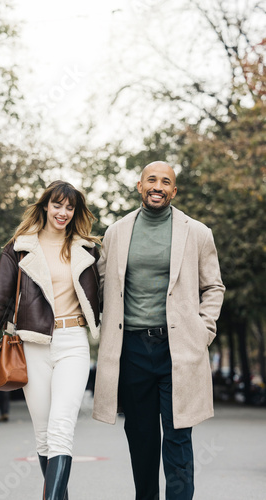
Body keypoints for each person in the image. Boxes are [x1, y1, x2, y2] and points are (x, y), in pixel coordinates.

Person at [93, 161, 225, 500]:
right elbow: (102, 286)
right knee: (142, 437)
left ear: (174, 191)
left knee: (179, 437)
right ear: (139, 186)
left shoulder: (197, 232)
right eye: (152, 179)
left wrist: (203, 330)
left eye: (166, 182)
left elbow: (213, 287)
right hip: (133, 351)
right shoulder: (117, 232)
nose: (158, 186)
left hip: (178, 349)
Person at [0, 180, 100, 500]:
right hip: (32, 345)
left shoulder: (88, 248)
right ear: (45, 206)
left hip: (73, 342)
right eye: (57, 205)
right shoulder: (19, 247)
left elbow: (107, 295)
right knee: (43, 436)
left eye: (70, 207)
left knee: (61, 428)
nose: (63, 212)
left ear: (76, 212)